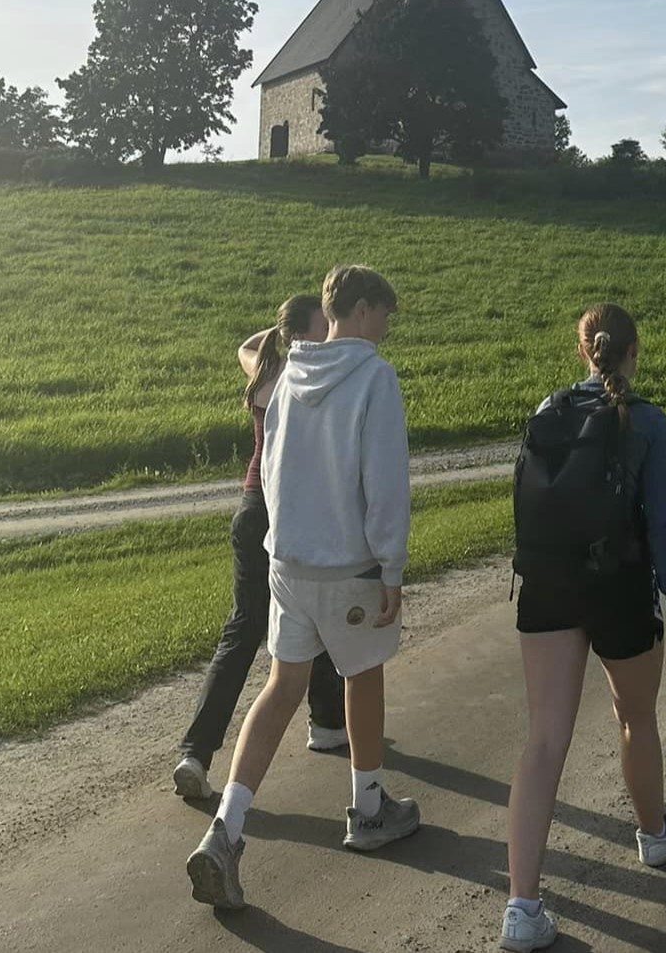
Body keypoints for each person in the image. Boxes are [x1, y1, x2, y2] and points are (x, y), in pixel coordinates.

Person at [187, 266, 417, 911]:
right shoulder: (374, 377)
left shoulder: (288, 374)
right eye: (385, 313)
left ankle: (225, 828)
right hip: (350, 565)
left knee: (282, 686)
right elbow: (385, 482)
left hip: (287, 561)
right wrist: (391, 566)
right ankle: (368, 808)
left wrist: (283, 546)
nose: (387, 326)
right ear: (362, 309)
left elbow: (272, 469)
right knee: (362, 676)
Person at [501, 303, 666, 952]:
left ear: (582, 351)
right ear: (633, 351)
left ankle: (521, 907)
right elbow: (665, 528)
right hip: (619, 586)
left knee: (543, 741)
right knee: (634, 717)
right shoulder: (648, 421)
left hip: (546, 584)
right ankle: (655, 832)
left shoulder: (546, 409)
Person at [171, 297, 348, 803]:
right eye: (325, 324)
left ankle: (196, 753)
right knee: (316, 609)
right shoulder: (309, 378)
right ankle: (327, 723)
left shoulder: (267, 369)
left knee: (244, 629)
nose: (331, 332)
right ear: (307, 334)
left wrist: (276, 332)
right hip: (291, 512)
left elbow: (246, 346)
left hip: (251, 510)